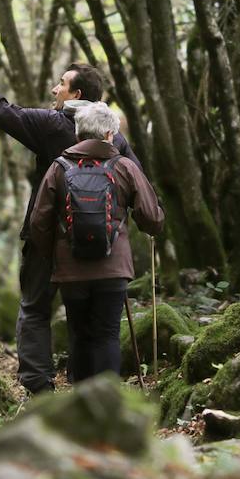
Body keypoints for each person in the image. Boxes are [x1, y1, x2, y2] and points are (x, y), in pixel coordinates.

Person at [0, 43, 142, 394]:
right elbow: (136, 180)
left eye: (61, 84)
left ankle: (38, 386)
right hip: (101, 242)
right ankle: (88, 392)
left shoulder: (51, 124)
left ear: (76, 93)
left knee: (35, 306)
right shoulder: (115, 138)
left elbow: (0, 110)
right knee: (90, 322)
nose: (54, 89)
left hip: (45, 235)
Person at [28, 102, 164, 382]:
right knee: (106, 334)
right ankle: (107, 409)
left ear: (78, 134)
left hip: (70, 270)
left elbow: (38, 222)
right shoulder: (124, 166)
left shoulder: (59, 168)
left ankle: (81, 409)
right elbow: (151, 218)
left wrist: (54, 256)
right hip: (113, 270)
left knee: (79, 335)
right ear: (109, 135)